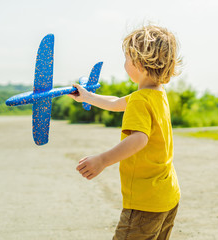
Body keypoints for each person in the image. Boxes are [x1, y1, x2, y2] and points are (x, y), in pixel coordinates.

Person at [68, 24, 182, 240]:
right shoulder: (157, 94)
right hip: (167, 195)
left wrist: (102, 160)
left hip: (145, 200)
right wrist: (88, 97)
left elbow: (139, 139)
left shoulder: (141, 100)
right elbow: (117, 103)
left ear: (139, 62)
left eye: (127, 58)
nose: (125, 64)